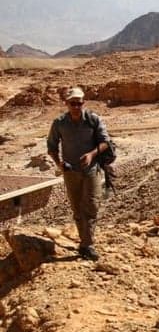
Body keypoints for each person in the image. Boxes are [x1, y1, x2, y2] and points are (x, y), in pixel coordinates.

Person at [47, 87, 111, 261]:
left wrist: (91, 154)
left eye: (79, 103)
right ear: (66, 104)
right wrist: (59, 164)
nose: (76, 107)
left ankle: (87, 244)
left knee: (91, 205)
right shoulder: (59, 123)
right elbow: (51, 147)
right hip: (70, 171)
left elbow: (105, 141)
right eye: (73, 103)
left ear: (84, 103)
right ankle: (84, 243)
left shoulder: (93, 119)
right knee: (77, 208)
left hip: (91, 170)